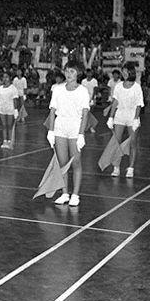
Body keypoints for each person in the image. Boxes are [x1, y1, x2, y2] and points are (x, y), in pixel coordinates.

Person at [45, 63, 89, 206]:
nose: (69, 74)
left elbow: (85, 113)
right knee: (62, 163)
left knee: (76, 162)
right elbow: (52, 111)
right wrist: (51, 131)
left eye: (72, 71)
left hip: (75, 127)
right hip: (60, 127)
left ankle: (75, 195)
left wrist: (81, 134)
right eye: (67, 71)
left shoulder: (83, 91)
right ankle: (64, 193)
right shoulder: (57, 89)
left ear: (78, 73)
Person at [106, 63, 144, 178]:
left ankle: (131, 167)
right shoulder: (118, 86)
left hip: (132, 116)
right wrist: (111, 117)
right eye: (123, 71)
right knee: (116, 142)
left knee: (132, 143)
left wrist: (136, 119)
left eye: (126, 71)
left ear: (131, 72)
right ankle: (116, 167)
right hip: (120, 116)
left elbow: (139, 104)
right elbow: (115, 102)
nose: (124, 74)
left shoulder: (137, 87)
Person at [0, 73, 20, 149]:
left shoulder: (13, 88)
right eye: (3, 77)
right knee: (4, 126)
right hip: (2, 109)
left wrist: (16, 110)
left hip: (10, 109)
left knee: (9, 126)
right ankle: (5, 141)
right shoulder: (0, 88)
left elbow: (15, 100)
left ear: (10, 78)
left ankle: (10, 141)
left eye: (6, 77)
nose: (5, 79)